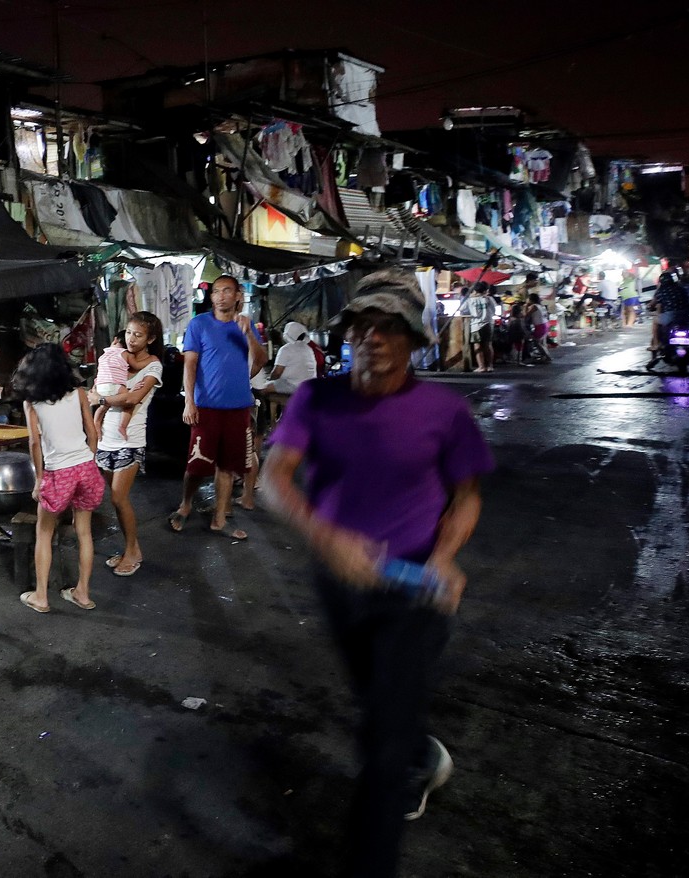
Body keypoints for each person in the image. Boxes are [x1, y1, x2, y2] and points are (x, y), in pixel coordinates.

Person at [261, 269, 494, 878]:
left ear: (414, 340)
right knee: (378, 702)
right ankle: (418, 753)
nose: (374, 338)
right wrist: (325, 538)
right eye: (363, 325)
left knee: (381, 745)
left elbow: (467, 494)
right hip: (340, 580)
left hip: (416, 586)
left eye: (390, 328)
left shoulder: (444, 411)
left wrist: (444, 556)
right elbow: (274, 478)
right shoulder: (317, 399)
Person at [168, 275, 268, 540]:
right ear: (211, 297)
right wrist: (189, 401)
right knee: (196, 463)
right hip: (206, 406)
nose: (221, 295)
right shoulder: (198, 324)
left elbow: (261, 360)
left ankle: (219, 517)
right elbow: (190, 365)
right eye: (216, 291)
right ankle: (185, 504)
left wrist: (248, 334)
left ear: (238, 296)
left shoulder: (246, 326)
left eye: (227, 291)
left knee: (227, 465)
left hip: (238, 407)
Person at [14, 343, 104, 612]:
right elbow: (92, 430)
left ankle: (41, 597)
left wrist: (39, 480)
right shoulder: (77, 392)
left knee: (44, 532)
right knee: (84, 532)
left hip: (58, 472)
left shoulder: (32, 402)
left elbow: (34, 443)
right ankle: (83, 594)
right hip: (86, 468)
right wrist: (89, 457)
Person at [88, 312, 163, 578]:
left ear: (151, 339)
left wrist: (103, 400)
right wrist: (101, 399)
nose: (132, 339)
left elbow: (133, 399)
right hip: (107, 439)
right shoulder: (118, 359)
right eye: (129, 333)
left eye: (139, 335)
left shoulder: (154, 366)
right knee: (116, 500)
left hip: (130, 440)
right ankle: (131, 549)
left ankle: (132, 551)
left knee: (120, 497)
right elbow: (97, 390)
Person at [647, 270, 689, 367]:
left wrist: (649, 307)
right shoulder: (682, 288)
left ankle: (656, 346)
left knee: (655, 321)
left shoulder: (661, 291)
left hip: (670, 316)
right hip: (687, 314)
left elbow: (653, 304)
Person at [93, 332, 135, 441]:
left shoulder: (103, 355)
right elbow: (136, 365)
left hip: (100, 387)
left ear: (115, 340)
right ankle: (122, 426)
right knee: (129, 402)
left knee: (103, 407)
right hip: (115, 385)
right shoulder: (126, 354)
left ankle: (97, 422)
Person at [265, 321, 319, 395]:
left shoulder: (286, 349)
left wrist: (269, 379)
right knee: (277, 384)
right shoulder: (308, 348)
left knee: (262, 388)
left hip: (295, 386)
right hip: (311, 385)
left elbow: (277, 373)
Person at [463, 282, 495, 372]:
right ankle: (490, 366)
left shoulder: (470, 300)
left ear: (474, 290)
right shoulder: (489, 299)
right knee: (488, 345)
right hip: (488, 323)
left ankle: (481, 366)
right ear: (485, 290)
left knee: (477, 346)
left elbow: (461, 309)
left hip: (475, 325)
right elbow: (494, 310)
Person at [524, 293, 552, 362]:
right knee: (541, 342)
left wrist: (526, 306)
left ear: (531, 299)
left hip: (540, 326)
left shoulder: (534, 306)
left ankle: (547, 357)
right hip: (545, 324)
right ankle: (544, 357)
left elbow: (526, 315)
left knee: (537, 342)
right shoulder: (541, 306)